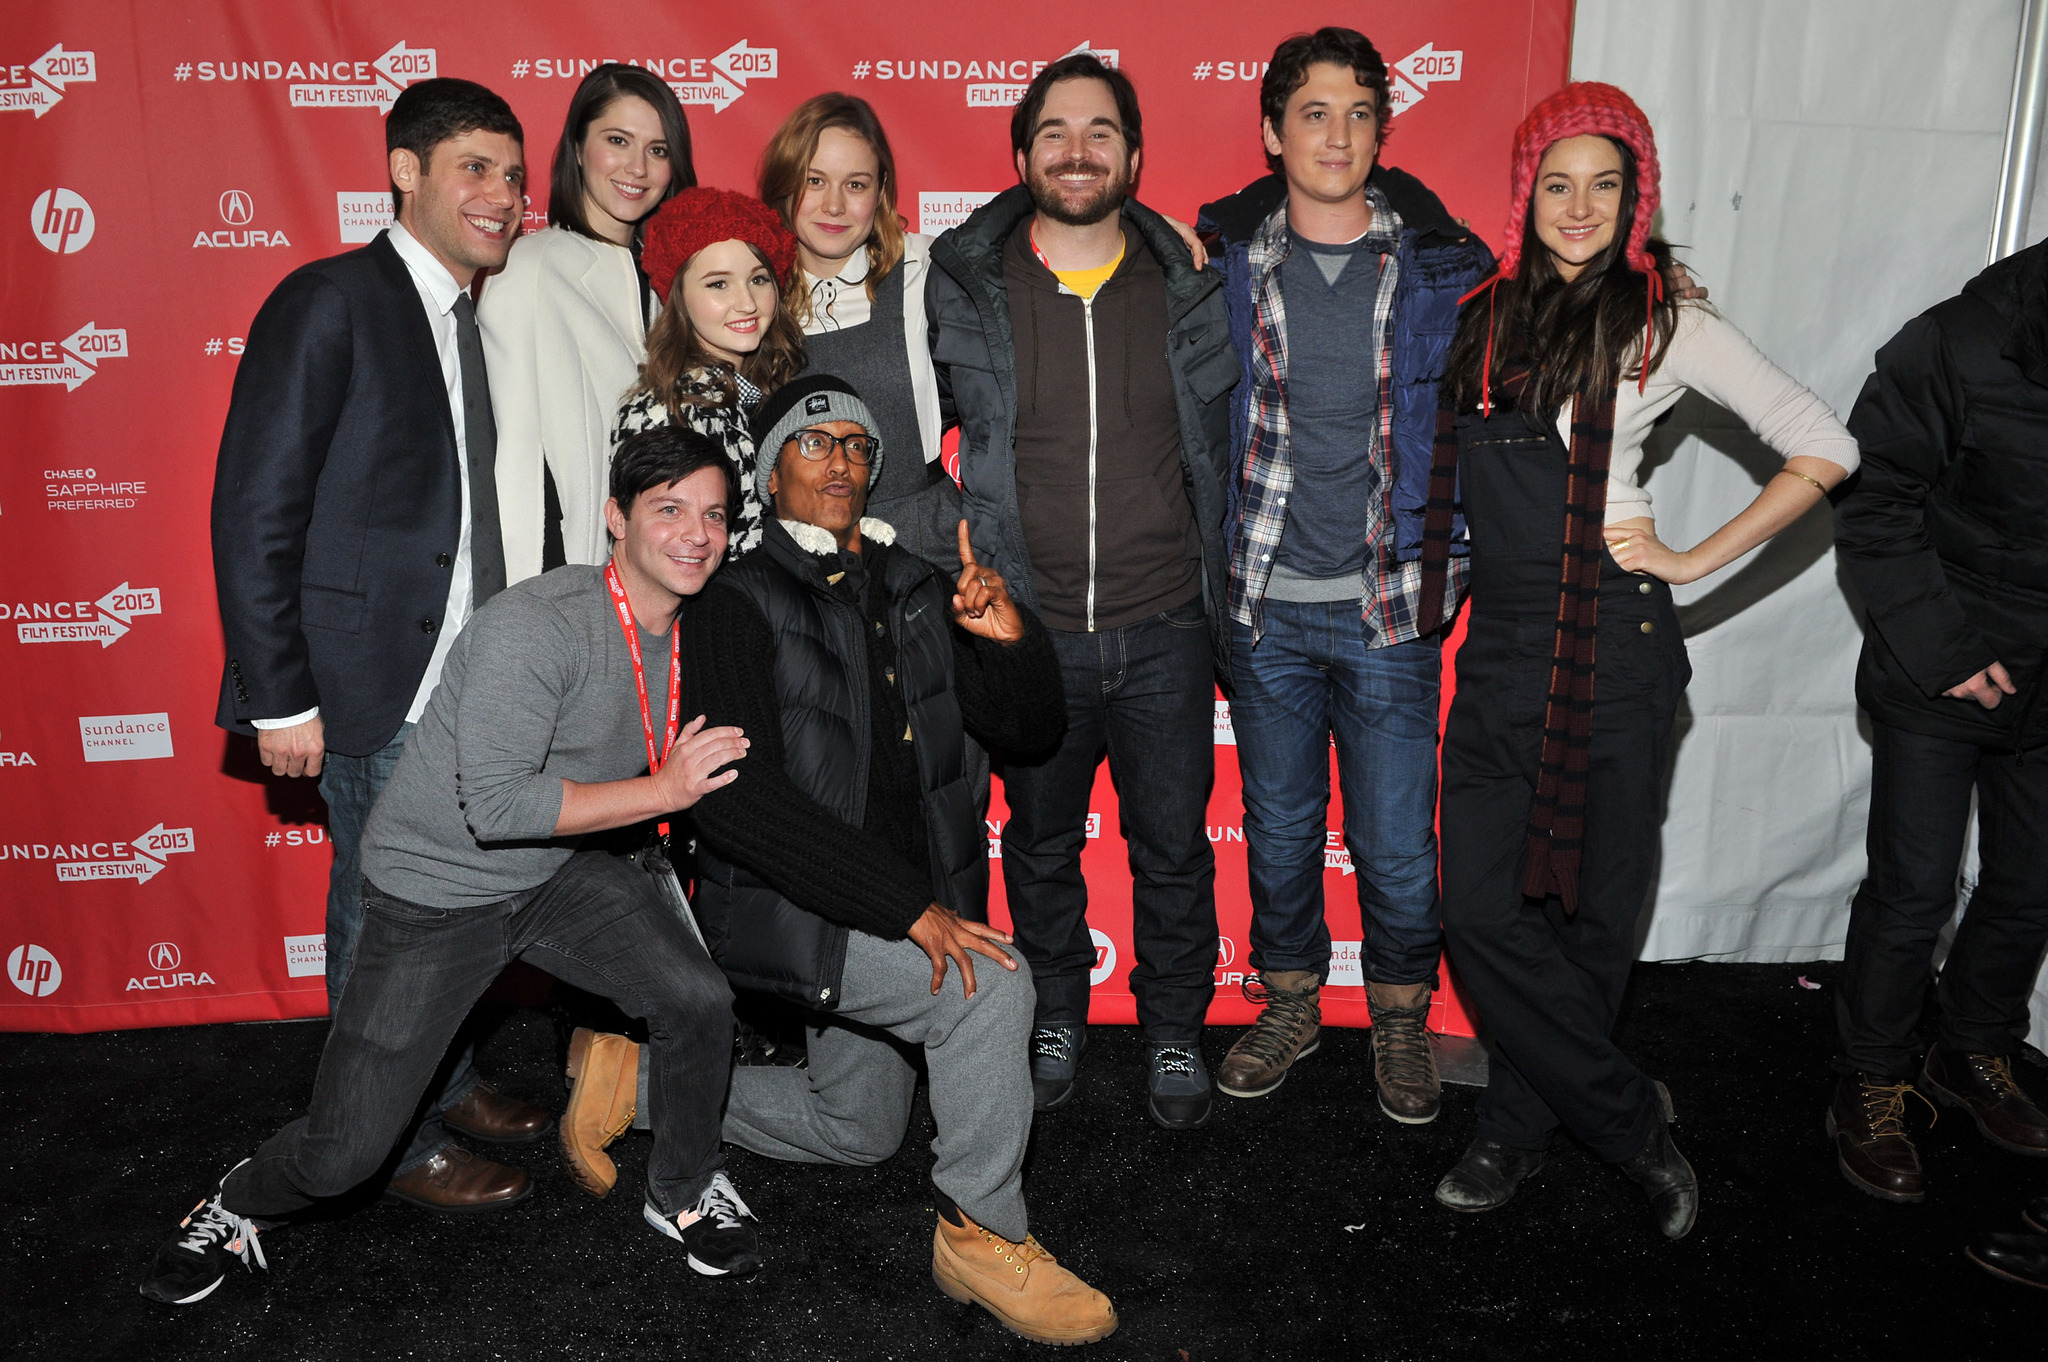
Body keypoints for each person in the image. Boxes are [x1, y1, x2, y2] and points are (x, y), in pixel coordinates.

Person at [143, 428, 759, 1306]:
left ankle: (685, 1189)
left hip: (554, 871)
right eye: (669, 510)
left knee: (698, 999)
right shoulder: (536, 627)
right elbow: (500, 809)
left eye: (713, 515)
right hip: (437, 889)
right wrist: (664, 793)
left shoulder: (706, 629)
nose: (695, 534)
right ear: (615, 520)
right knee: (346, 1155)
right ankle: (239, 1202)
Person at [1423, 82, 1858, 1238]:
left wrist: (1690, 553)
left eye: (1602, 186)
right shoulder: (1484, 319)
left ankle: (1514, 1131)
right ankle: (1626, 1123)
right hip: (1509, 646)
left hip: (1617, 643)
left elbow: (1825, 442)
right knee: (1475, 907)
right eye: (1556, 185)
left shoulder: (1663, 322)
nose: (1578, 208)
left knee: (1592, 917)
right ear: (1526, 194)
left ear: (1635, 198)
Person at [695, 372, 1112, 1345]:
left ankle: (633, 1076)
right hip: (792, 902)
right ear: (768, 470)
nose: (838, 461)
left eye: (854, 445)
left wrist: (1008, 646)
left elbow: (1030, 733)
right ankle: (979, 1237)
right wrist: (904, 910)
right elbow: (742, 806)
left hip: (891, 900)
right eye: (812, 443)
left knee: (860, 1128)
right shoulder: (733, 599)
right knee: (988, 986)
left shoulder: (916, 583)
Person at [209, 77, 551, 1211]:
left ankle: (440, 1081)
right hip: (367, 686)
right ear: (404, 171)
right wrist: (279, 697)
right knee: (382, 916)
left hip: (465, 683)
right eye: (473, 168)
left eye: (511, 172)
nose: (502, 193)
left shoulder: (476, 317)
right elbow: (256, 509)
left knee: (450, 909)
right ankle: (385, 1145)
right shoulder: (333, 299)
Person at [927, 53, 1239, 1131]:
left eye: (1099, 131)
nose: (1076, 150)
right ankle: (1053, 1014)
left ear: (1135, 157)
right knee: (1043, 845)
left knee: (1170, 847)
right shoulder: (963, 281)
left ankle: (1169, 1030)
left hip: (1166, 625)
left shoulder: (1193, 280)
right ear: (1020, 156)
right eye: (1053, 132)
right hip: (1030, 627)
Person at [1193, 28, 1493, 1120]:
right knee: (1275, 831)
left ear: (1382, 132)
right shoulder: (1221, 263)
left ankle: (1401, 1019)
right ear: (1272, 132)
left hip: (1388, 614)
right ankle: (1289, 1002)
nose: (1336, 133)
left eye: (1358, 112)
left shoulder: (1438, 273)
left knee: (1396, 847)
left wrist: (1446, 559)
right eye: (1312, 112)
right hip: (1263, 613)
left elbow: (1481, 421)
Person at [1829, 236, 2048, 1203]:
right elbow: (1873, 502)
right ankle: (1872, 1081)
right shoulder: (1957, 341)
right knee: (1915, 893)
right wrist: (1950, 653)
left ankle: (1974, 1050)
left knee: (2029, 884)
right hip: (1941, 664)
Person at [480, 62, 694, 581]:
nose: (638, 168)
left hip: (663, 586)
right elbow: (512, 458)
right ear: (578, 148)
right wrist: (529, 598)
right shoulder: (530, 267)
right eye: (618, 140)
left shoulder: (678, 289)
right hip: (567, 586)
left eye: (658, 150)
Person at [760, 92, 964, 573]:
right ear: (786, 186)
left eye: (855, 184)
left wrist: (1144, 227)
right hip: (797, 556)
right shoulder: (751, 289)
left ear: (881, 191)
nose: (833, 205)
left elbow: (1042, 243)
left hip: (922, 547)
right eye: (814, 181)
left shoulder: (925, 266)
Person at [613, 186, 804, 559]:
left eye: (758, 279)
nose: (747, 302)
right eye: (718, 283)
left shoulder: (761, 397)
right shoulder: (663, 411)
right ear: (679, 296)